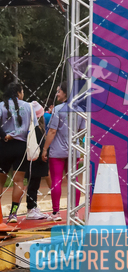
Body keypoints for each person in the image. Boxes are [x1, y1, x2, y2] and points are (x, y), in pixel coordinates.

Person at [0, 81, 37, 223]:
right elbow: (32, 126)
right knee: (19, 181)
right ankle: (13, 214)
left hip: (3, 146)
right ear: (18, 93)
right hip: (21, 147)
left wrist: (5, 135)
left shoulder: (1, 106)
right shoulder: (28, 106)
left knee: (1, 182)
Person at [42, 82, 80, 220]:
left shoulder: (58, 109)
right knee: (74, 180)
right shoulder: (80, 109)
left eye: (59, 91)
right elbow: (81, 131)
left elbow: (52, 131)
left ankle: (56, 213)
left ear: (65, 93)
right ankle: (75, 212)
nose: (57, 94)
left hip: (57, 151)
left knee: (56, 180)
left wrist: (45, 149)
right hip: (73, 149)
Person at [25, 102, 50, 220]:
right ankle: (31, 208)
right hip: (35, 161)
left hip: (34, 161)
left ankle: (33, 207)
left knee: (34, 184)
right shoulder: (36, 129)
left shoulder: (35, 128)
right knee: (33, 184)